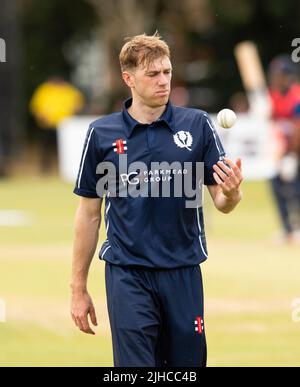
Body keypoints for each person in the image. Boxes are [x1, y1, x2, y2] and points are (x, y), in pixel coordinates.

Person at [70, 33, 243, 367]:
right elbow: (88, 215)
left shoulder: (197, 125)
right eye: (153, 74)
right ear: (128, 79)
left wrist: (233, 193)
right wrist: (78, 287)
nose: (163, 81)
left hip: (183, 271)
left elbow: (222, 201)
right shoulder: (101, 134)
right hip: (127, 273)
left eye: (167, 72)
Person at [268, 55, 300, 243]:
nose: (276, 79)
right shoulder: (273, 95)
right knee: (276, 185)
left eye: (280, 75)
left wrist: (292, 155)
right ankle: (287, 229)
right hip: (283, 151)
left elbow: (298, 129)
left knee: (296, 189)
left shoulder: (296, 96)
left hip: (296, 151)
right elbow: (274, 124)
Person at [30, 76, 85, 173]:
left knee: (65, 149)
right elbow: (36, 106)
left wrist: (74, 113)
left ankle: (64, 168)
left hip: (65, 126)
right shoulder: (45, 90)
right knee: (47, 149)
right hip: (48, 125)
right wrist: (41, 117)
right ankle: (46, 168)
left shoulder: (69, 90)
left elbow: (79, 104)